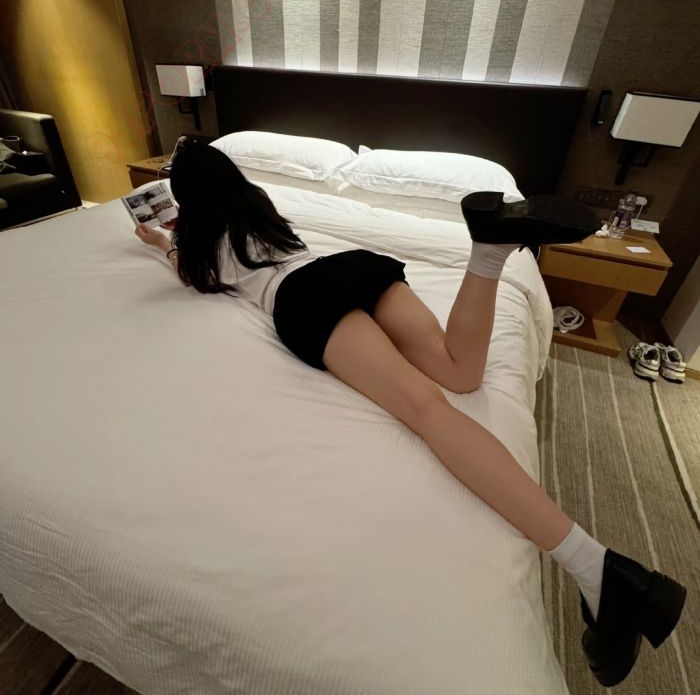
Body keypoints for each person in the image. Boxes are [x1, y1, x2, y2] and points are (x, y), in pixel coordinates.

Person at [134, 142, 686, 686]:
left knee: (426, 410)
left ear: (189, 200)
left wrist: (163, 239)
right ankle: (488, 251)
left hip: (303, 297)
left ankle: (596, 566)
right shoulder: (262, 210)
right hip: (351, 268)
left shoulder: (203, 244)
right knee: (460, 372)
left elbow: (188, 272)